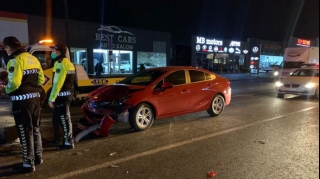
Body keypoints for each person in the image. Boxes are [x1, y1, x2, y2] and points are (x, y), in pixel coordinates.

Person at [2, 36, 45, 173]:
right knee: (35, 129)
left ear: (9, 47)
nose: (6, 51)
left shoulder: (15, 60)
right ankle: (38, 157)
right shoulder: (33, 59)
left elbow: (14, 83)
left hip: (22, 101)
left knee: (25, 132)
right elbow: (41, 79)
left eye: (6, 48)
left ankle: (27, 163)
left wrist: (5, 89)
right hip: (36, 100)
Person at [48, 43, 76, 150]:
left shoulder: (60, 63)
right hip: (67, 94)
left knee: (64, 119)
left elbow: (57, 83)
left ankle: (69, 142)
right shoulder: (69, 63)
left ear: (59, 52)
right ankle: (58, 139)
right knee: (57, 119)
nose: (52, 53)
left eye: (54, 51)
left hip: (62, 96)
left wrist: (51, 98)